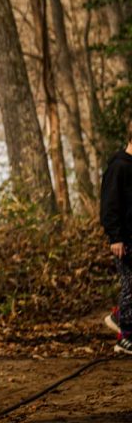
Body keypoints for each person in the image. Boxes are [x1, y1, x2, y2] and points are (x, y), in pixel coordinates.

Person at [100, 116, 132, 355]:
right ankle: (125, 337)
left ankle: (118, 316)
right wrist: (115, 237)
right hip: (125, 241)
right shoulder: (119, 165)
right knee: (130, 287)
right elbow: (110, 205)